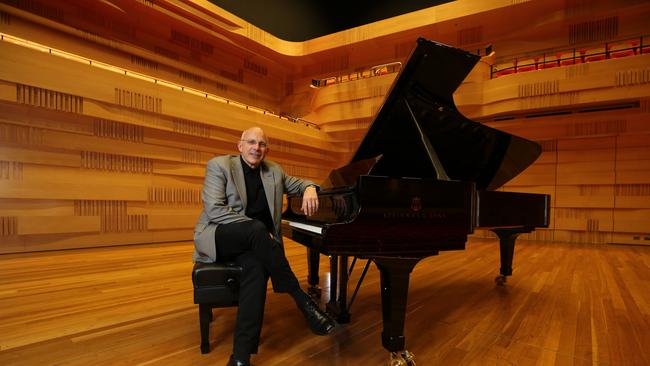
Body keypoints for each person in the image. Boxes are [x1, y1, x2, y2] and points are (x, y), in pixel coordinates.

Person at [193, 127, 336, 366]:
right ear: (239, 146)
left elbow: (300, 183)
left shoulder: (274, 171)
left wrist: (310, 188)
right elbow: (215, 210)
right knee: (258, 229)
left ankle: (240, 357)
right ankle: (302, 301)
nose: (255, 148)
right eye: (251, 142)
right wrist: (254, 230)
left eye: (261, 144)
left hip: (253, 246)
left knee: (257, 269)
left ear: (266, 150)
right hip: (220, 235)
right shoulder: (220, 166)